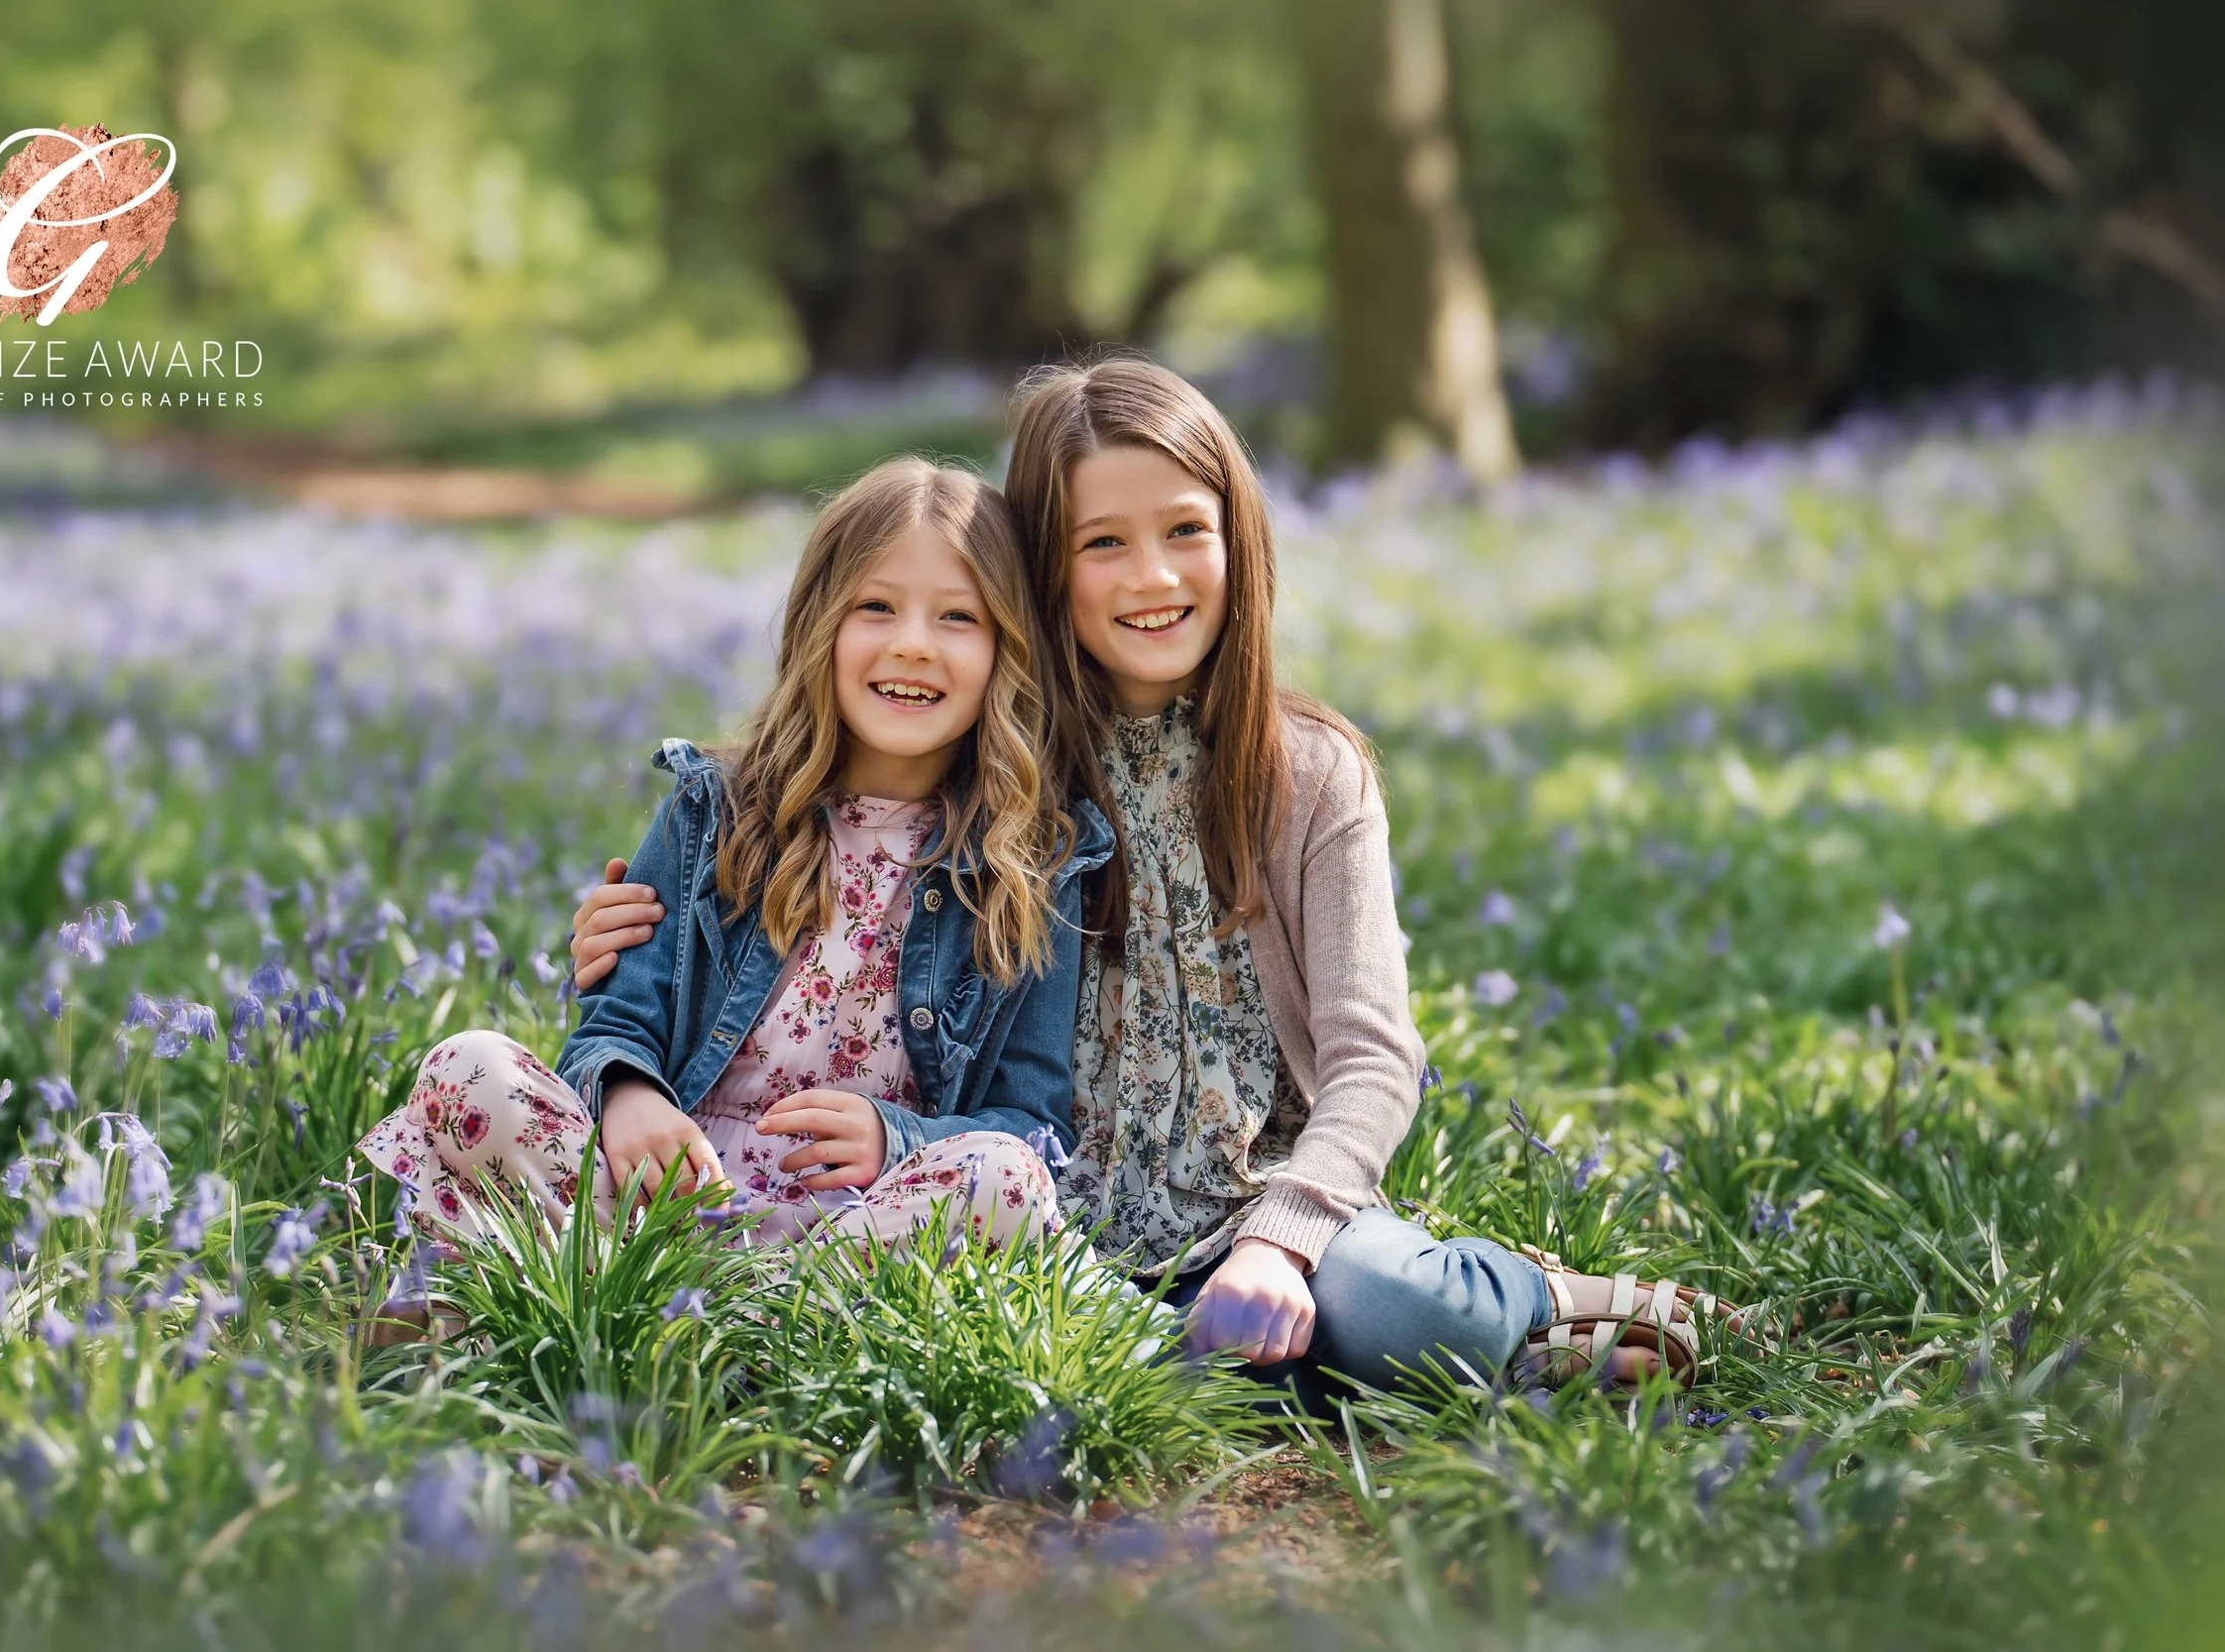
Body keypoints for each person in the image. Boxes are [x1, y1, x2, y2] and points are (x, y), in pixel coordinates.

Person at [574, 360, 1742, 1397]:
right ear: (1040, 571)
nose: (1152, 576)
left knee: (1393, 1308)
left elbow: (1373, 1054)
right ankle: (1402, 1364)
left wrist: (1280, 1239)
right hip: (1048, 1221)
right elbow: (832, 888)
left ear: (1240, 538)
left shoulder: (1309, 774)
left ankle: (1528, 1297)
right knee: (1150, 1362)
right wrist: (638, 928)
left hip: (1267, 1209)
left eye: (1186, 529)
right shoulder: (999, 765)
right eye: (1102, 543)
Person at [358, 457, 1113, 1260]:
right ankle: (658, 1286)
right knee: (468, 1065)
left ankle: (728, 1310)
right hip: (666, 1202)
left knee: (1005, 1178)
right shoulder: (713, 809)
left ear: (1006, 647)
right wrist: (630, 1095)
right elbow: (619, 1020)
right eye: (876, 607)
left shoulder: (1034, 863)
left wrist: (895, 1138)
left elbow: (1031, 1121)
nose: (912, 644)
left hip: (854, 1230)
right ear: (820, 625)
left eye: (958, 617)